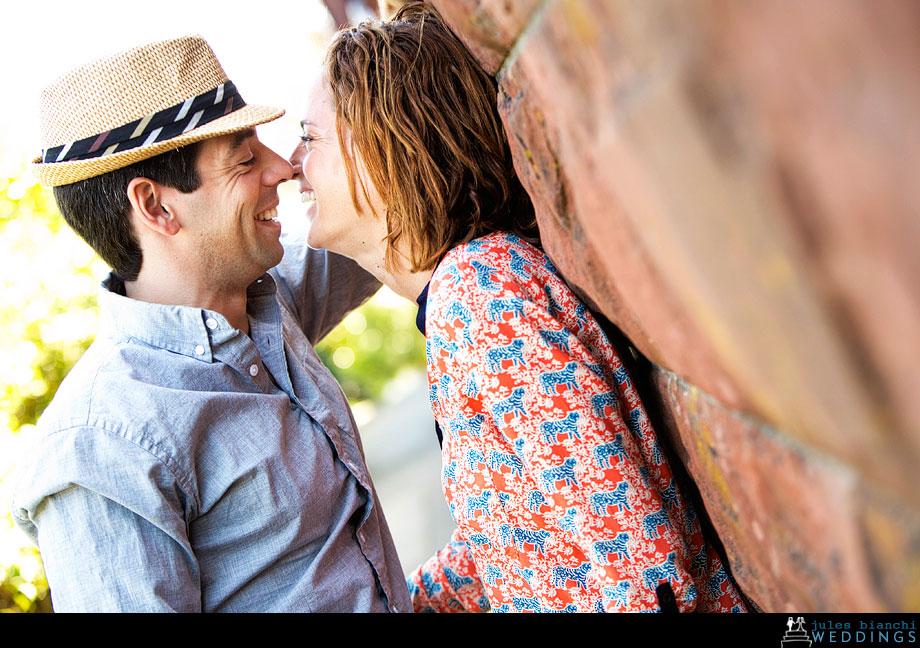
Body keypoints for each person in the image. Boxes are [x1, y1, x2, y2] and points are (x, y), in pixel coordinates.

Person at [290, 2, 748, 612]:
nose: (292, 166)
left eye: (310, 139)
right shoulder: (466, 293)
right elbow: (515, 535)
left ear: (385, 146)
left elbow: (639, 564)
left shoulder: (479, 292)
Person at [11, 35, 411, 612]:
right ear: (155, 206)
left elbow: (390, 212)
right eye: (244, 159)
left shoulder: (268, 301)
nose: (282, 168)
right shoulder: (100, 448)